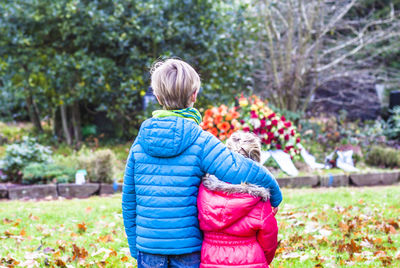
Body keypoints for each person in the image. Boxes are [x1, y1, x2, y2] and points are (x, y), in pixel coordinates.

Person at [122, 59, 282, 268]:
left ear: (158, 97)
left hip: (148, 249)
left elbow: (129, 199)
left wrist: (135, 246)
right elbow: (236, 169)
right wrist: (274, 192)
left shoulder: (140, 142)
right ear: (194, 95)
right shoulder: (200, 139)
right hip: (188, 249)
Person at [198, 131, 279, 268]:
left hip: (210, 260)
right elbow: (269, 240)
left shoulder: (204, 192)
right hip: (251, 261)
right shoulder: (259, 199)